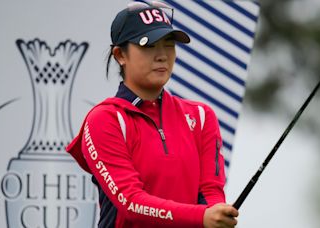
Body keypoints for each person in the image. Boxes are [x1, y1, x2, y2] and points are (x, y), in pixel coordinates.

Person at [66, 1, 238, 227]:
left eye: (169, 44)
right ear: (120, 55)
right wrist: (202, 217)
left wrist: (217, 214)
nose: (162, 55)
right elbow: (131, 203)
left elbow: (210, 191)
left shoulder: (201, 116)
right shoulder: (106, 119)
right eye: (148, 45)